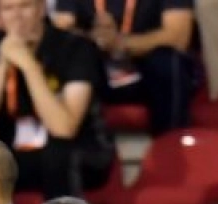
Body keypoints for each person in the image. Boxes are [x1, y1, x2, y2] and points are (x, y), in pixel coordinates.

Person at [0, 0, 114, 200]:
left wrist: (27, 63)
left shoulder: (76, 47)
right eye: (8, 9)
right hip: (16, 151)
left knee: (58, 154)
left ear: (41, 8)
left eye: (25, 7)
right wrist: (1, 66)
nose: (17, 16)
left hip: (79, 152)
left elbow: (64, 128)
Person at [54, 0, 196, 134]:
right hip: (96, 65)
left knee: (170, 63)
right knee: (71, 59)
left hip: (148, 66)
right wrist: (96, 39)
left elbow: (178, 37)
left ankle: (171, 149)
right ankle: (78, 153)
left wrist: (121, 43)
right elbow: (60, 31)